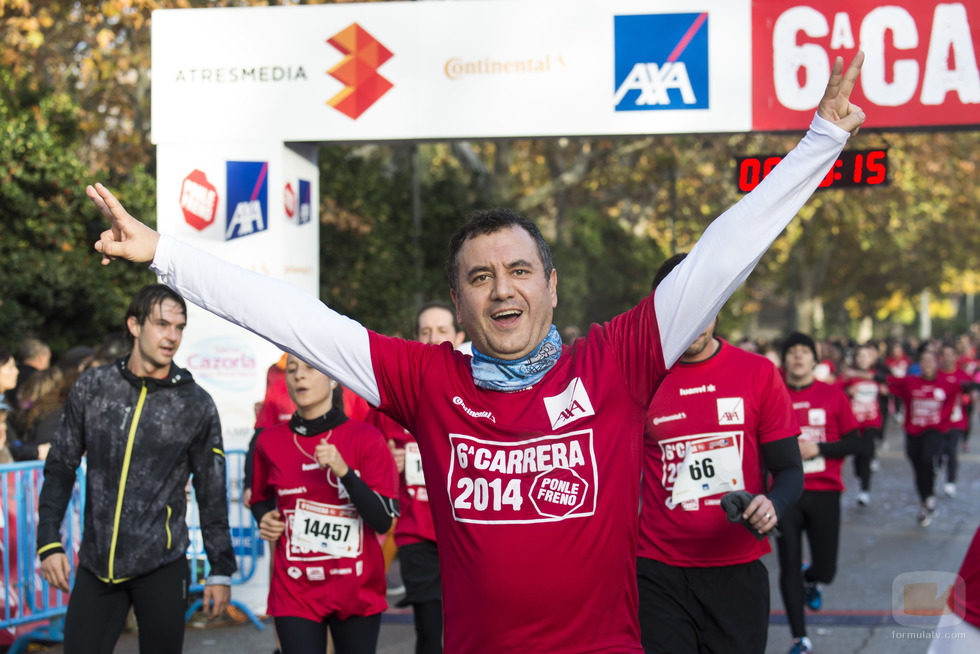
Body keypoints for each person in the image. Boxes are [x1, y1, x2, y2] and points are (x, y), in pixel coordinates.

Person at [85, 54, 865, 654]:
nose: (503, 292)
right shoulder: (426, 379)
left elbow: (719, 256)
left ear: (551, 288)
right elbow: (295, 320)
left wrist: (821, 142)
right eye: (480, 277)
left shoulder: (616, 363)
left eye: (520, 272)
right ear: (458, 302)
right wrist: (166, 255)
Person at [36, 284, 236, 654]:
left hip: (161, 564)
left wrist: (220, 567)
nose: (172, 336)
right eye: (162, 324)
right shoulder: (94, 387)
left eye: (179, 327)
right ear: (134, 324)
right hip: (96, 564)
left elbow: (211, 491)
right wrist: (48, 542)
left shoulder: (195, 403)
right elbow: (61, 466)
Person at [637, 254, 803, 654]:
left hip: (737, 570)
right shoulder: (638, 377)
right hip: (658, 571)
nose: (693, 319)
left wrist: (773, 505)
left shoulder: (758, 373)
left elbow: (789, 470)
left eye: (704, 306)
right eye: (681, 308)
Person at [250, 354, 397, 654]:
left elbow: (382, 521)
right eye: (292, 370)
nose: (298, 377)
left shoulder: (366, 438)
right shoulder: (269, 442)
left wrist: (345, 473)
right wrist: (265, 518)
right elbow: (260, 500)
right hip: (296, 589)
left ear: (332, 377)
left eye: (309, 368)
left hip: (355, 589)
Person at [366, 301, 466, 654]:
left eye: (442, 331)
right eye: (426, 332)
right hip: (417, 533)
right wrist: (385, 461)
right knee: (429, 632)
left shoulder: (483, 394)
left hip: (468, 534)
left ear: (459, 336)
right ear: (415, 338)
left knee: (472, 631)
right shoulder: (394, 397)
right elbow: (364, 453)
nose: (434, 339)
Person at [777, 332, 861, 654]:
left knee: (827, 569)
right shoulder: (774, 394)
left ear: (815, 359)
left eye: (804, 352)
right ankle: (800, 638)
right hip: (786, 493)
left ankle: (812, 578)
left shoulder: (833, 395)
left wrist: (818, 448)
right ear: (784, 361)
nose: (798, 357)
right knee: (787, 565)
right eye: (792, 352)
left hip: (825, 492)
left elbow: (856, 442)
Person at [836, 342, 886, 506]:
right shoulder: (848, 377)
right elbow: (834, 393)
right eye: (860, 356)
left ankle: (865, 490)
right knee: (858, 456)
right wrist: (846, 393)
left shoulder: (876, 375)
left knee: (867, 452)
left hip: (871, 421)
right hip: (854, 423)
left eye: (866, 356)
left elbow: (890, 385)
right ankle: (860, 478)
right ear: (855, 358)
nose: (863, 359)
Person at [8, 366, 64, 461]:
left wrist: (36, 451)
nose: (19, 395)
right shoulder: (42, 414)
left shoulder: (50, 416)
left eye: (28, 389)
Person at [938, 342, 970, 497]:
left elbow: (970, 395)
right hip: (937, 422)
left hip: (956, 421)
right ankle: (935, 470)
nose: (947, 358)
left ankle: (950, 481)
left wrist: (969, 397)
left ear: (956, 357)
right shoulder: (935, 374)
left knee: (951, 451)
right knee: (937, 451)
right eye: (944, 355)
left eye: (951, 355)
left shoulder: (962, 376)